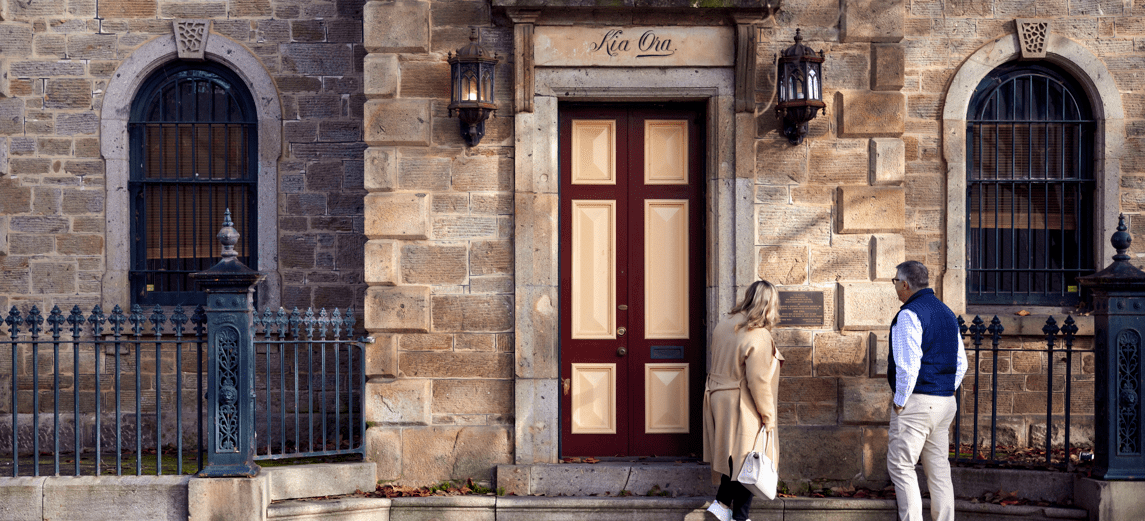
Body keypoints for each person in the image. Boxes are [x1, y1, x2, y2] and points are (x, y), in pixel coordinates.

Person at [886, 260, 967, 521]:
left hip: (917, 403)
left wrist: (900, 401)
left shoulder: (909, 315)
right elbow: (961, 363)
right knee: (939, 471)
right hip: (944, 403)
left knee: (901, 466)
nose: (895, 286)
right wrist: (946, 389)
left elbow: (907, 367)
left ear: (905, 284)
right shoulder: (946, 313)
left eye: (895, 281)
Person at [703, 280, 783, 521]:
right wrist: (768, 417)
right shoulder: (758, 335)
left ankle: (724, 506)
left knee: (734, 458)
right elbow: (758, 381)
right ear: (769, 304)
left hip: (719, 397)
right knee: (751, 459)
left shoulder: (725, 324)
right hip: (741, 403)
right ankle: (738, 515)